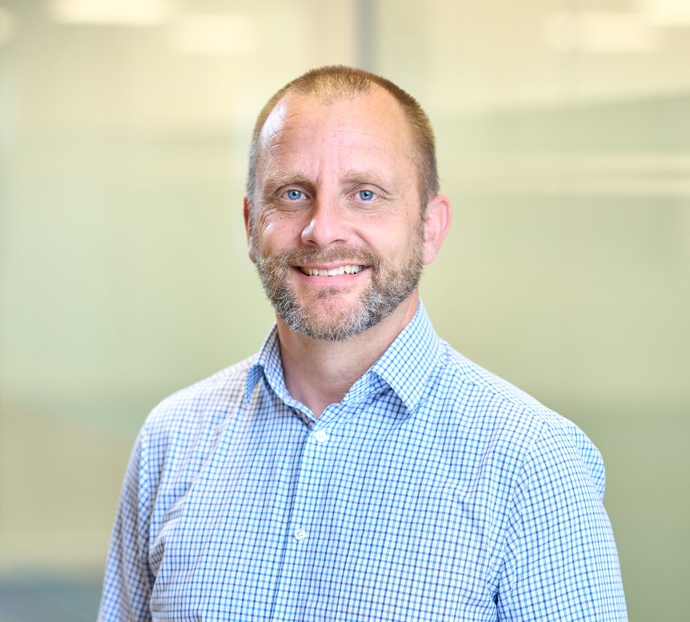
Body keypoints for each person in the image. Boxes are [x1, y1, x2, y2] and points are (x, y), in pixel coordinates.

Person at [98, 65, 627, 621]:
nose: (323, 229)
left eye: (366, 194)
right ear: (252, 223)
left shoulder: (532, 465)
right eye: (294, 193)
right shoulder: (172, 439)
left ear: (429, 228)